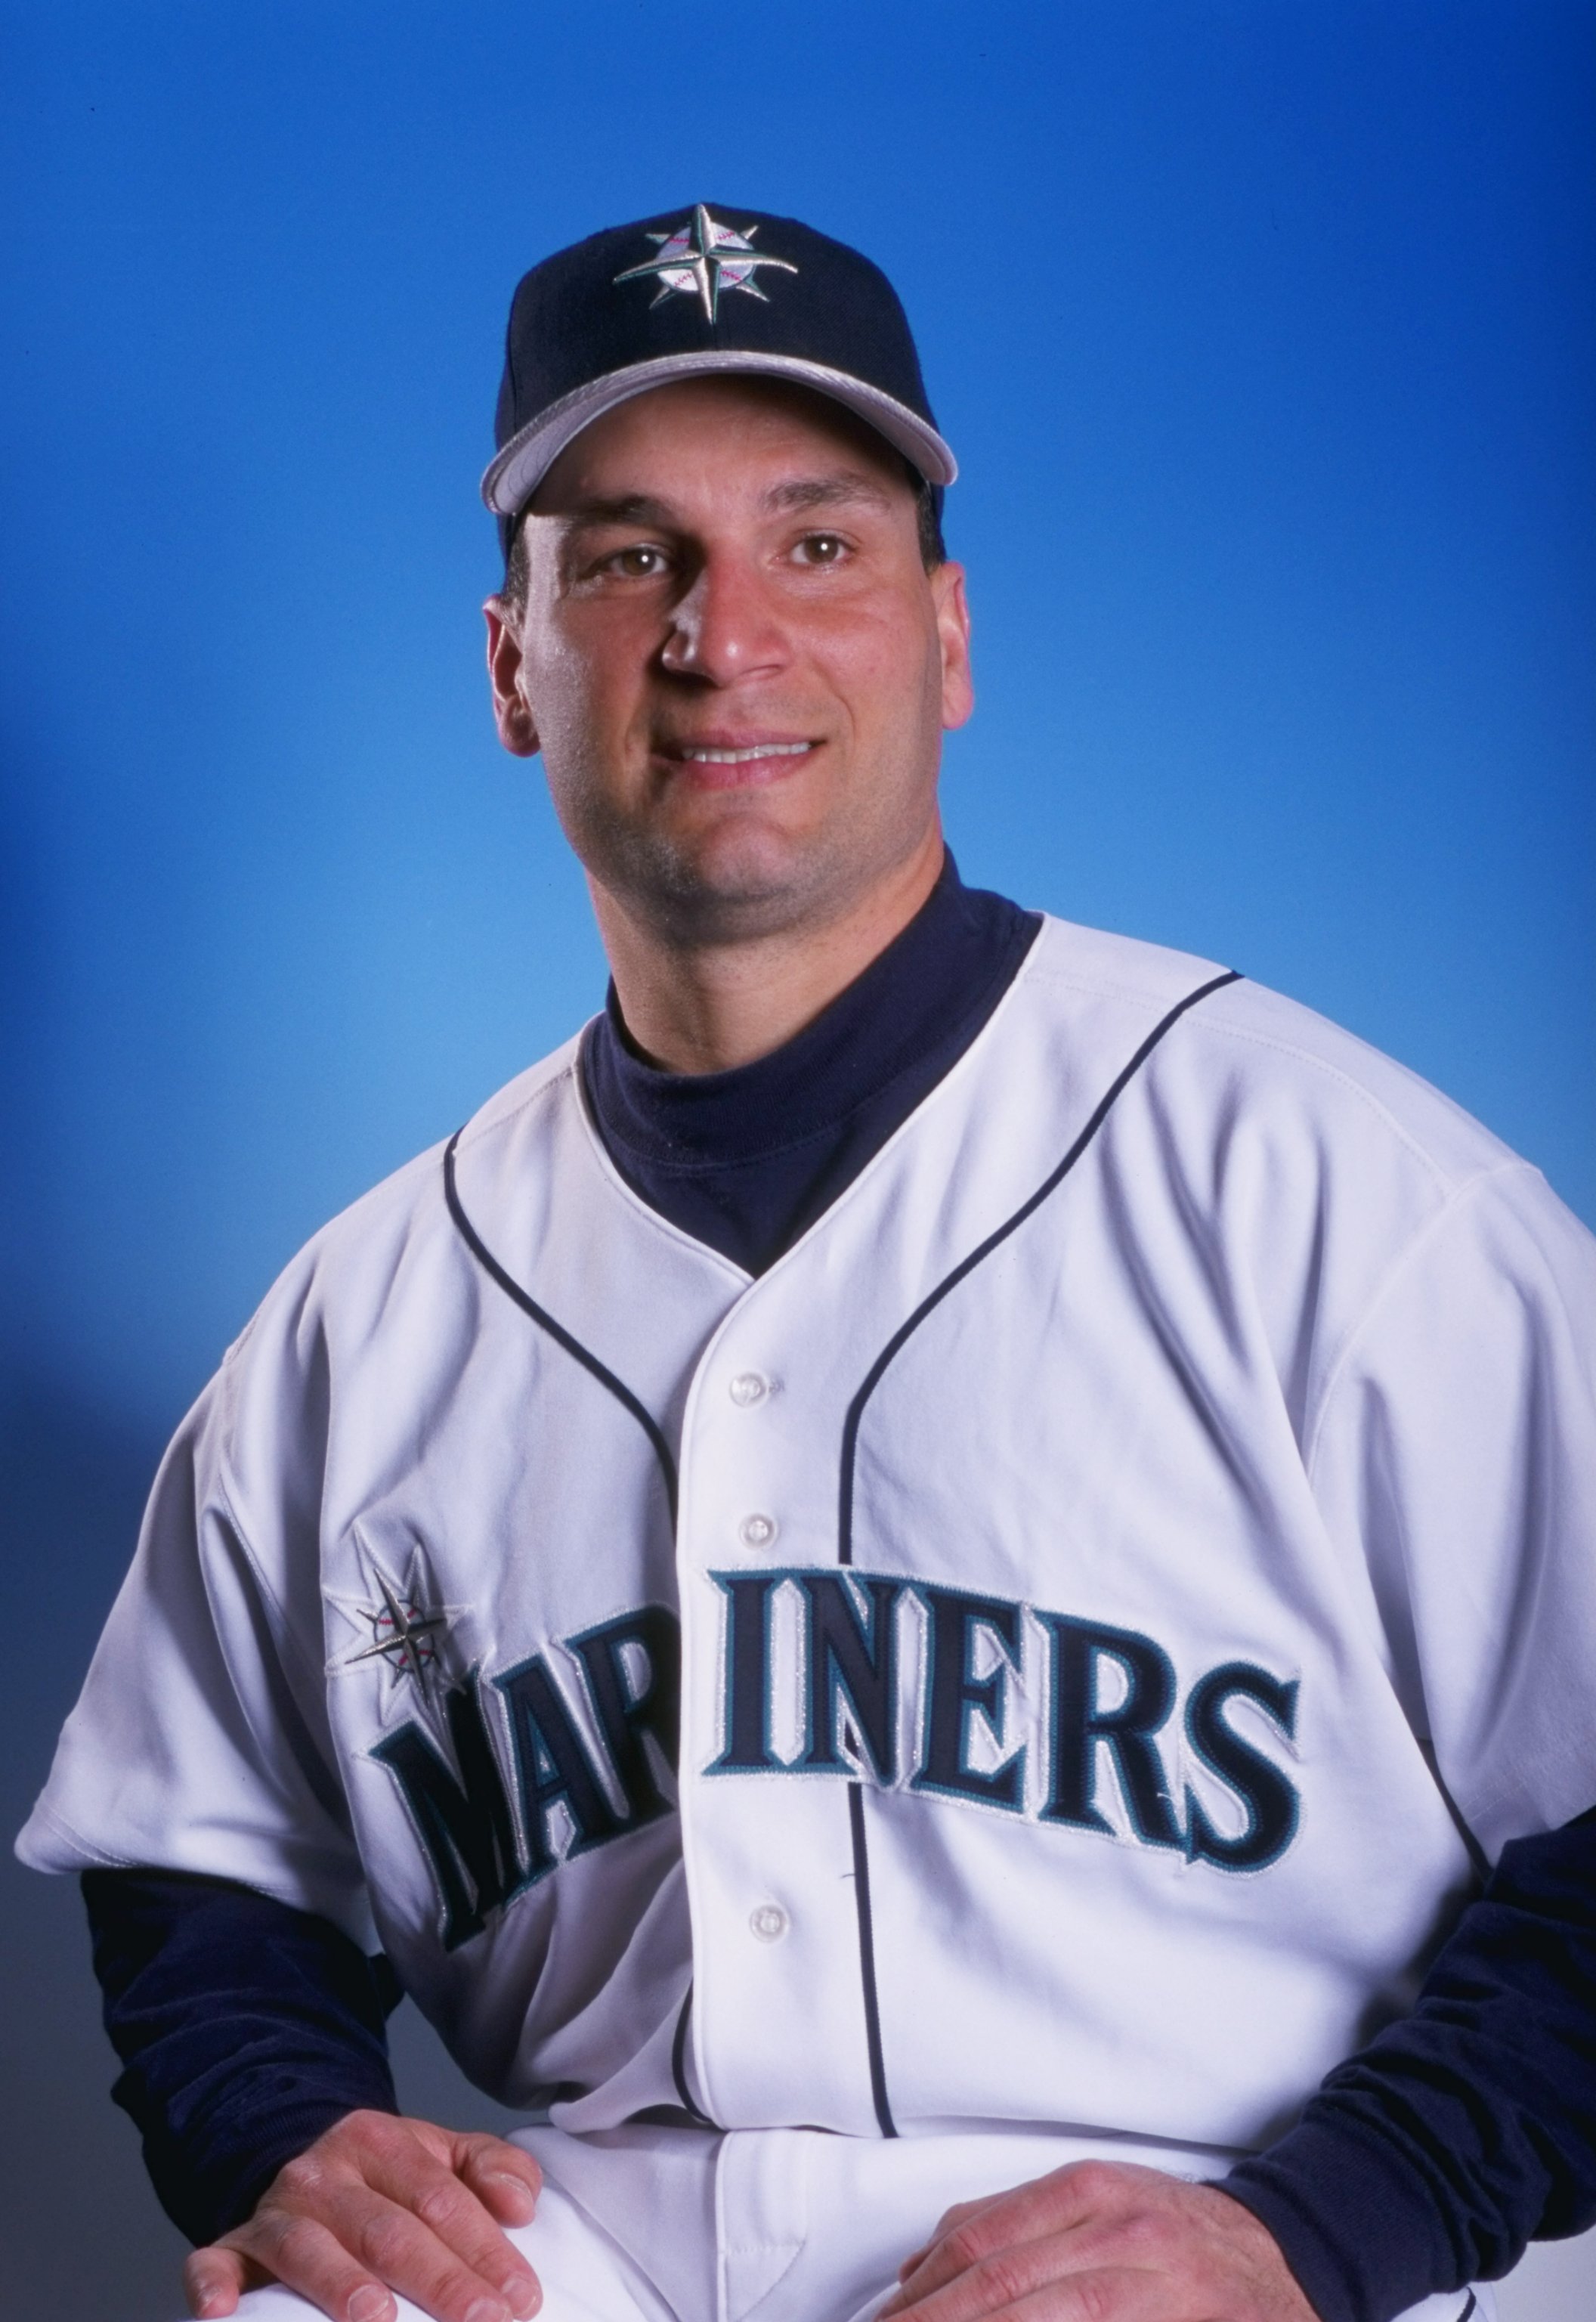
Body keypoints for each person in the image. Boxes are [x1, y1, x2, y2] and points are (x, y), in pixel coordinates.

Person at [18, 204, 1596, 2322]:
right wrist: (291, 2144)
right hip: (607, 2246)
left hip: (1256, 2232)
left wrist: (1322, 2228)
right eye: (623, 556)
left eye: (817, 545)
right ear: (514, 667)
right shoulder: (361, 1319)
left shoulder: (1332, 1193)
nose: (719, 633)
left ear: (949, 637)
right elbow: (190, 1853)